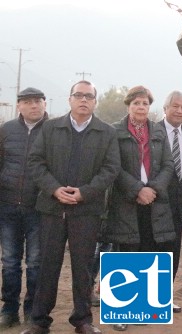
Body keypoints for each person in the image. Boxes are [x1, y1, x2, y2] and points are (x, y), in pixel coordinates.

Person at [23, 80, 120, 334]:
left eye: (89, 96)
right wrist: (54, 189)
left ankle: (82, 320)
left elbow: (111, 169)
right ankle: (40, 321)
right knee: (48, 265)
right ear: (69, 99)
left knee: (83, 266)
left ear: (95, 101)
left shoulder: (106, 132)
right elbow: (35, 162)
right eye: (78, 95)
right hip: (52, 209)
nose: (83, 100)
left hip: (86, 211)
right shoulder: (51, 128)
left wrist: (84, 194)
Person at [103, 86, 175, 332]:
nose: (141, 107)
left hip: (153, 202)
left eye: (145, 103)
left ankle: (142, 307)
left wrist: (153, 189)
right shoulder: (115, 131)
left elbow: (168, 165)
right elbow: (113, 166)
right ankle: (119, 311)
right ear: (128, 106)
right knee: (124, 253)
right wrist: (137, 190)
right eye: (136, 103)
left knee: (148, 252)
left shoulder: (158, 132)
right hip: (126, 201)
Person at [0, 88, 48, 329]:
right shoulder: (6, 130)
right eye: (28, 102)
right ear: (19, 106)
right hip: (8, 206)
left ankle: (32, 311)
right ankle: (9, 310)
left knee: (36, 263)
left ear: (45, 104)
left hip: (39, 208)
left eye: (38, 101)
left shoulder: (54, 129)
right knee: (9, 262)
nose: (33, 106)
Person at [159, 90, 182, 313]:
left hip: (178, 204)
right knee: (150, 249)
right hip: (153, 202)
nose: (180, 111)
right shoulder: (152, 132)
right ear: (165, 108)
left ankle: (165, 297)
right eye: (176, 106)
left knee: (172, 250)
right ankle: (145, 299)